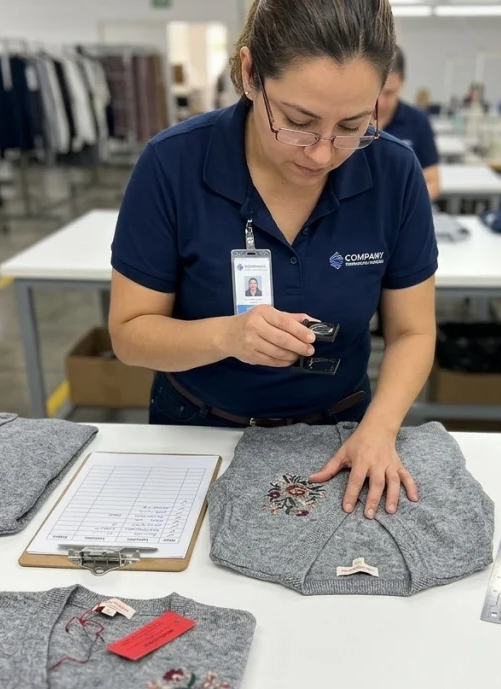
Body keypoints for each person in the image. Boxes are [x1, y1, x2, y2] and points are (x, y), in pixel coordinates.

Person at [108, 0, 438, 520]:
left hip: (340, 435)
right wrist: (227, 336)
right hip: (198, 432)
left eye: (352, 124)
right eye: (298, 121)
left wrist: (380, 429)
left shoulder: (394, 172)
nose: (322, 154)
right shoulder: (172, 165)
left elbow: (413, 333)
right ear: (249, 74)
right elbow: (129, 334)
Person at [376, 47, 440, 200]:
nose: (381, 102)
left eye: (390, 93)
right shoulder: (352, 120)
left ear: (402, 83)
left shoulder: (418, 122)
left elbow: (433, 182)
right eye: (377, 92)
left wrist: (402, 206)